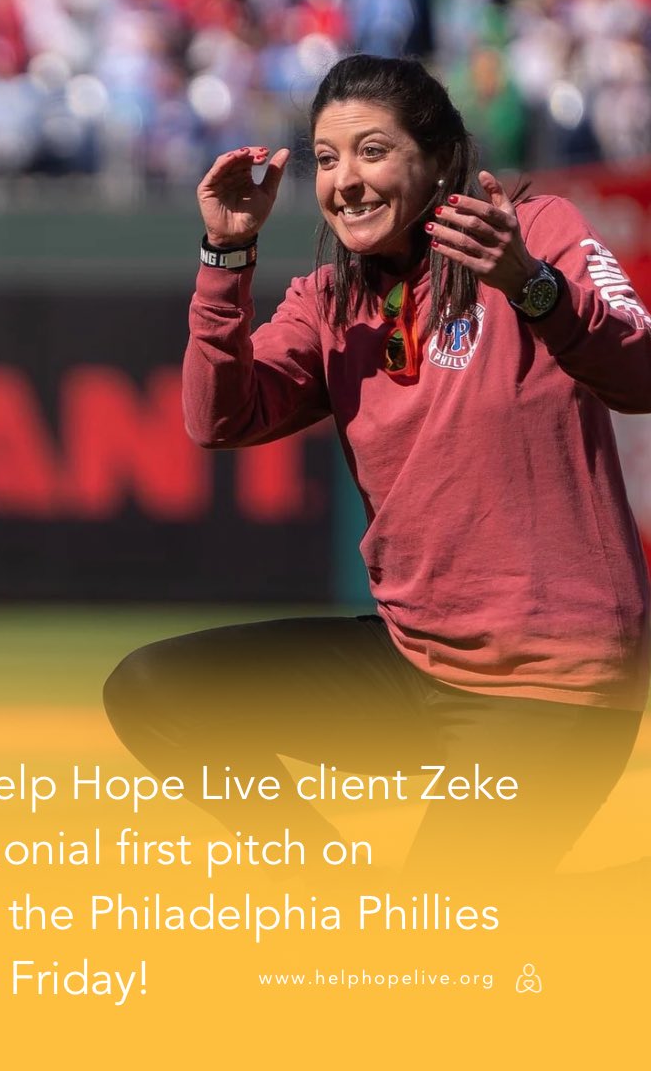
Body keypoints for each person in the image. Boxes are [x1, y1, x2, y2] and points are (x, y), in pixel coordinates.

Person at [103, 55, 651, 881]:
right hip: (415, 668)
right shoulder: (327, 301)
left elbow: (641, 373)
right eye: (326, 159)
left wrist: (530, 287)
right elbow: (216, 419)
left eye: (372, 151)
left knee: (436, 954)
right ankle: (342, 898)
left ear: (437, 161)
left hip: (553, 684)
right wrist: (225, 256)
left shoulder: (536, 231)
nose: (346, 180)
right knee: (156, 690)